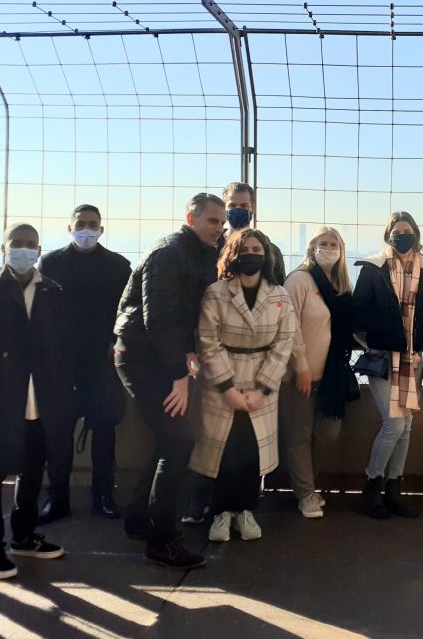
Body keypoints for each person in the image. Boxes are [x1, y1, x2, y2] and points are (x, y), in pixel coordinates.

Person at [0, 223, 72, 579]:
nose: (23, 249)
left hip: (41, 401)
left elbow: (64, 350)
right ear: (3, 248)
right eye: (16, 243)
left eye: (30, 244)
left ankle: (23, 536)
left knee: (33, 470)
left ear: (39, 249)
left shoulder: (53, 292)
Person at [113, 192, 224, 570]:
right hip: (145, 358)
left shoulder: (202, 252)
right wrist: (180, 375)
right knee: (179, 442)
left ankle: (138, 520)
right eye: (212, 221)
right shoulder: (171, 252)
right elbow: (157, 319)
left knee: (169, 440)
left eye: (222, 222)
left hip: (163, 357)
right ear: (190, 219)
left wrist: (185, 362)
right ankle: (162, 541)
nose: (220, 227)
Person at [182, 180, 286, 525]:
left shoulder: (267, 249)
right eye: (234, 204)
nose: (240, 209)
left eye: (246, 204)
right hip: (215, 368)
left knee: (247, 447)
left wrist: (265, 384)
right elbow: (206, 330)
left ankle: (242, 510)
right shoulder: (207, 244)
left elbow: (281, 326)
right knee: (213, 443)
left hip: (258, 373)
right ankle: (204, 506)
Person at [191, 229, 296, 543]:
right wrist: (228, 388)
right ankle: (221, 512)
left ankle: (247, 510)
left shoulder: (280, 295)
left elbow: (284, 344)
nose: (252, 254)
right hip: (222, 381)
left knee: (252, 451)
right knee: (224, 450)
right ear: (233, 255)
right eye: (245, 249)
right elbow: (207, 342)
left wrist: (263, 388)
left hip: (262, 382)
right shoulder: (216, 293)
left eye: (257, 248)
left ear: (267, 255)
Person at [38, 204, 132, 523]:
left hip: (103, 361)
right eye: (81, 223)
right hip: (62, 363)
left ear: (102, 229)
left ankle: (104, 495)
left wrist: (116, 343)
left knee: (105, 429)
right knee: (59, 431)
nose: (87, 229)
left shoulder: (119, 266)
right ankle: (58, 497)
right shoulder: (51, 262)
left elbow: (128, 312)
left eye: (93, 224)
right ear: (69, 227)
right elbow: (43, 311)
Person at [353, 211, 423, 519]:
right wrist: (381, 338)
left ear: (416, 234)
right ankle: (371, 485)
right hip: (381, 358)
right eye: (397, 230)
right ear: (388, 235)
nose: (403, 235)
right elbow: (358, 314)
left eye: (408, 230)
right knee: (394, 424)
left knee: (407, 428)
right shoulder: (372, 269)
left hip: (412, 359)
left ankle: (393, 489)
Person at [281, 227, 355, 519]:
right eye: (322, 243)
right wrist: (300, 366)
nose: (328, 249)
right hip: (299, 376)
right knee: (298, 436)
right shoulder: (298, 280)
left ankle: (308, 485)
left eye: (333, 244)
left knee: (328, 433)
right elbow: (288, 327)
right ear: (311, 248)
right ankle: (305, 493)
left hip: (330, 377)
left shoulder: (340, 286)